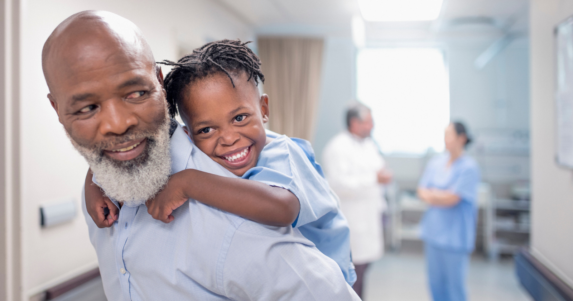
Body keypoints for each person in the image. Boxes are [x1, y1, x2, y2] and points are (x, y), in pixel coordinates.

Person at [42, 10, 360, 300]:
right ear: (58, 110)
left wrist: (190, 183)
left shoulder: (237, 210)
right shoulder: (106, 190)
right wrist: (93, 182)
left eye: (136, 93)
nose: (117, 124)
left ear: (159, 86)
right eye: (87, 108)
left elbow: (286, 215)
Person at [322, 102, 392, 298]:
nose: (372, 126)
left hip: (369, 219)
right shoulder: (337, 147)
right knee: (352, 277)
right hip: (353, 220)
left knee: (363, 272)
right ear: (354, 123)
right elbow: (338, 184)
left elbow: (378, 168)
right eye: (368, 122)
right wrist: (374, 179)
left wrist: (382, 176)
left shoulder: (369, 144)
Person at [417, 121, 481, 301]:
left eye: (449, 135)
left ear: (462, 138)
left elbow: (454, 198)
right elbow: (421, 191)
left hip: (455, 238)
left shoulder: (469, 167)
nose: (445, 139)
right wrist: (441, 195)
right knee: (435, 285)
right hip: (433, 234)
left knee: (455, 288)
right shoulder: (436, 162)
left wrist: (434, 195)